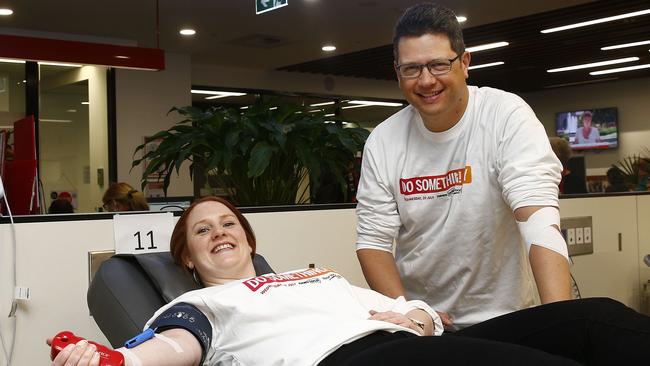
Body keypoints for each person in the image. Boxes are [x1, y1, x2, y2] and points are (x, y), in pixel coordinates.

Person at [48, 196, 650, 366]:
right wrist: (107, 362)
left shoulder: (314, 276)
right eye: (203, 231)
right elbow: (173, 348)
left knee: (594, 317)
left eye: (229, 223)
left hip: (414, 339)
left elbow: (403, 306)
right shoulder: (202, 302)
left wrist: (418, 314)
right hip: (347, 359)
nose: (220, 233)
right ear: (186, 256)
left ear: (251, 240)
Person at [355, 2, 571, 330]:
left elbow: (539, 221)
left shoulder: (506, 116)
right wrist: (409, 312)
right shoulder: (384, 141)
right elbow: (373, 242)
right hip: (425, 325)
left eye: (439, 64)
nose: (426, 81)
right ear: (398, 73)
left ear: (465, 62)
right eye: (412, 69)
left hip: (507, 318)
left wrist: (561, 323)